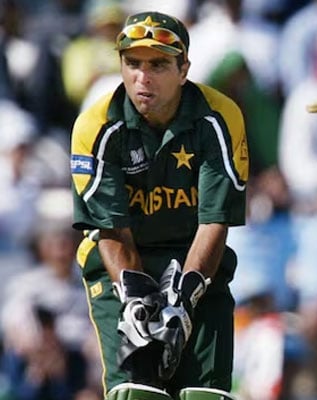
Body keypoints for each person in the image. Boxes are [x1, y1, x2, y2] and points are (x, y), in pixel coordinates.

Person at [70, 10, 248, 400]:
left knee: (205, 396)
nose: (142, 77)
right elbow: (111, 230)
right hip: (120, 267)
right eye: (132, 63)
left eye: (158, 65)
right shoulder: (95, 126)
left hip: (197, 263)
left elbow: (214, 222)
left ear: (184, 69)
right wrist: (136, 300)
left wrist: (184, 299)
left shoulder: (219, 117)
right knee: (136, 394)